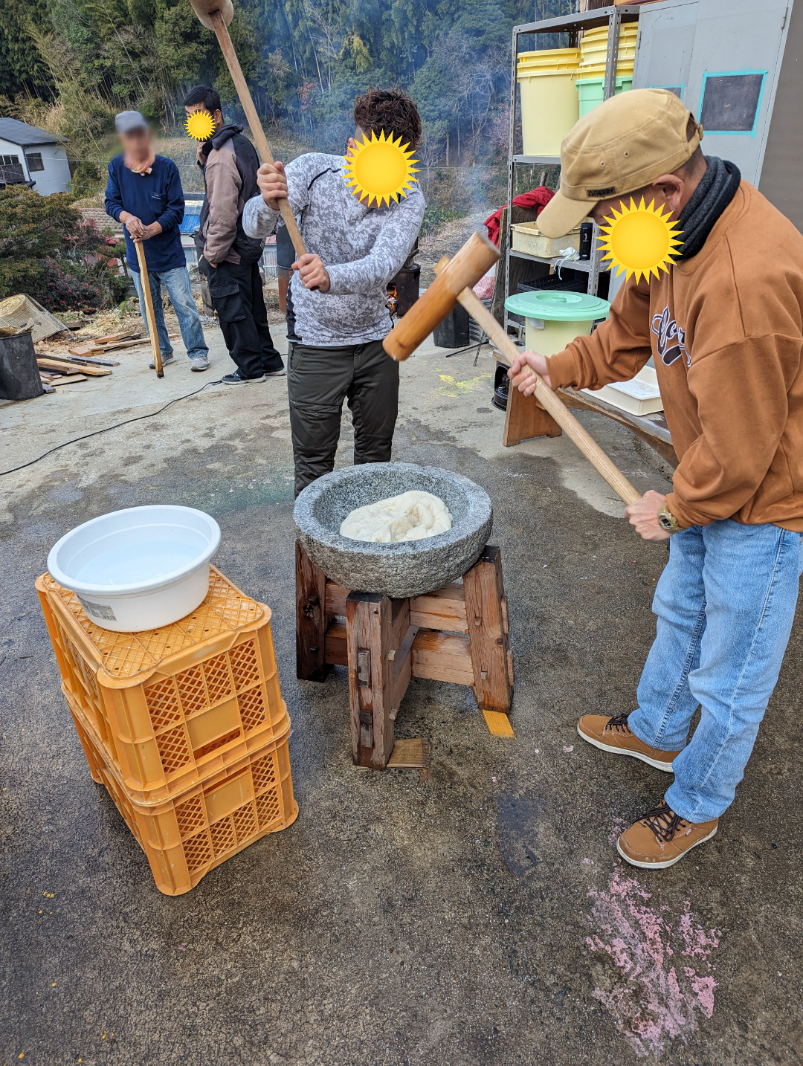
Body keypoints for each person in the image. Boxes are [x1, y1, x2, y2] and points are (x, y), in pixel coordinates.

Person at [510, 88, 803, 871]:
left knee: (731, 674)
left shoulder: (743, 280)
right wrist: (558, 367)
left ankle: (697, 802)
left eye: (602, 214)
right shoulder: (666, 233)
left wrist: (676, 507)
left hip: (765, 501)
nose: (600, 232)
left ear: (664, 188)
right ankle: (658, 729)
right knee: (679, 610)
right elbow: (626, 331)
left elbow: (741, 452)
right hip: (712, 471)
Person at [242, 87, 425, 496]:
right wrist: (266, 201)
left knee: (375, 462)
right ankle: (312, 540)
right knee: (313, 465)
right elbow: (253, 227)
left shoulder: (409, 197)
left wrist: (330, 277)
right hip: (316, 343)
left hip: (377, 345)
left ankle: (370, 536)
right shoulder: (313, 171)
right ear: (352, 146)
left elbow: (383, 265)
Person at [184, 85, 284, 385]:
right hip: (249, 243)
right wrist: (204, 163)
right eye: (189, 118)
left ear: (216, 115)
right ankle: (269, 362)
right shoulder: (239, 142)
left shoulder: (220, 155)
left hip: (230, 249)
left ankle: (250, 369)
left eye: (198, 116)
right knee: (252, 309)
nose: (193, 124)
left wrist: (212, 255)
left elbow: (223, 212)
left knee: (234, 313)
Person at [105, 111, 209, 371]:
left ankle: (197, 351)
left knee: (184, 304)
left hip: (168, 254)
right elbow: (111, 203)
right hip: (138, 256)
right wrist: (128, 218)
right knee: (149, 309)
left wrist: (152, 229)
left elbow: (176, 210)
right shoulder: (117, 166)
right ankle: (162, 351)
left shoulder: (166, 167)